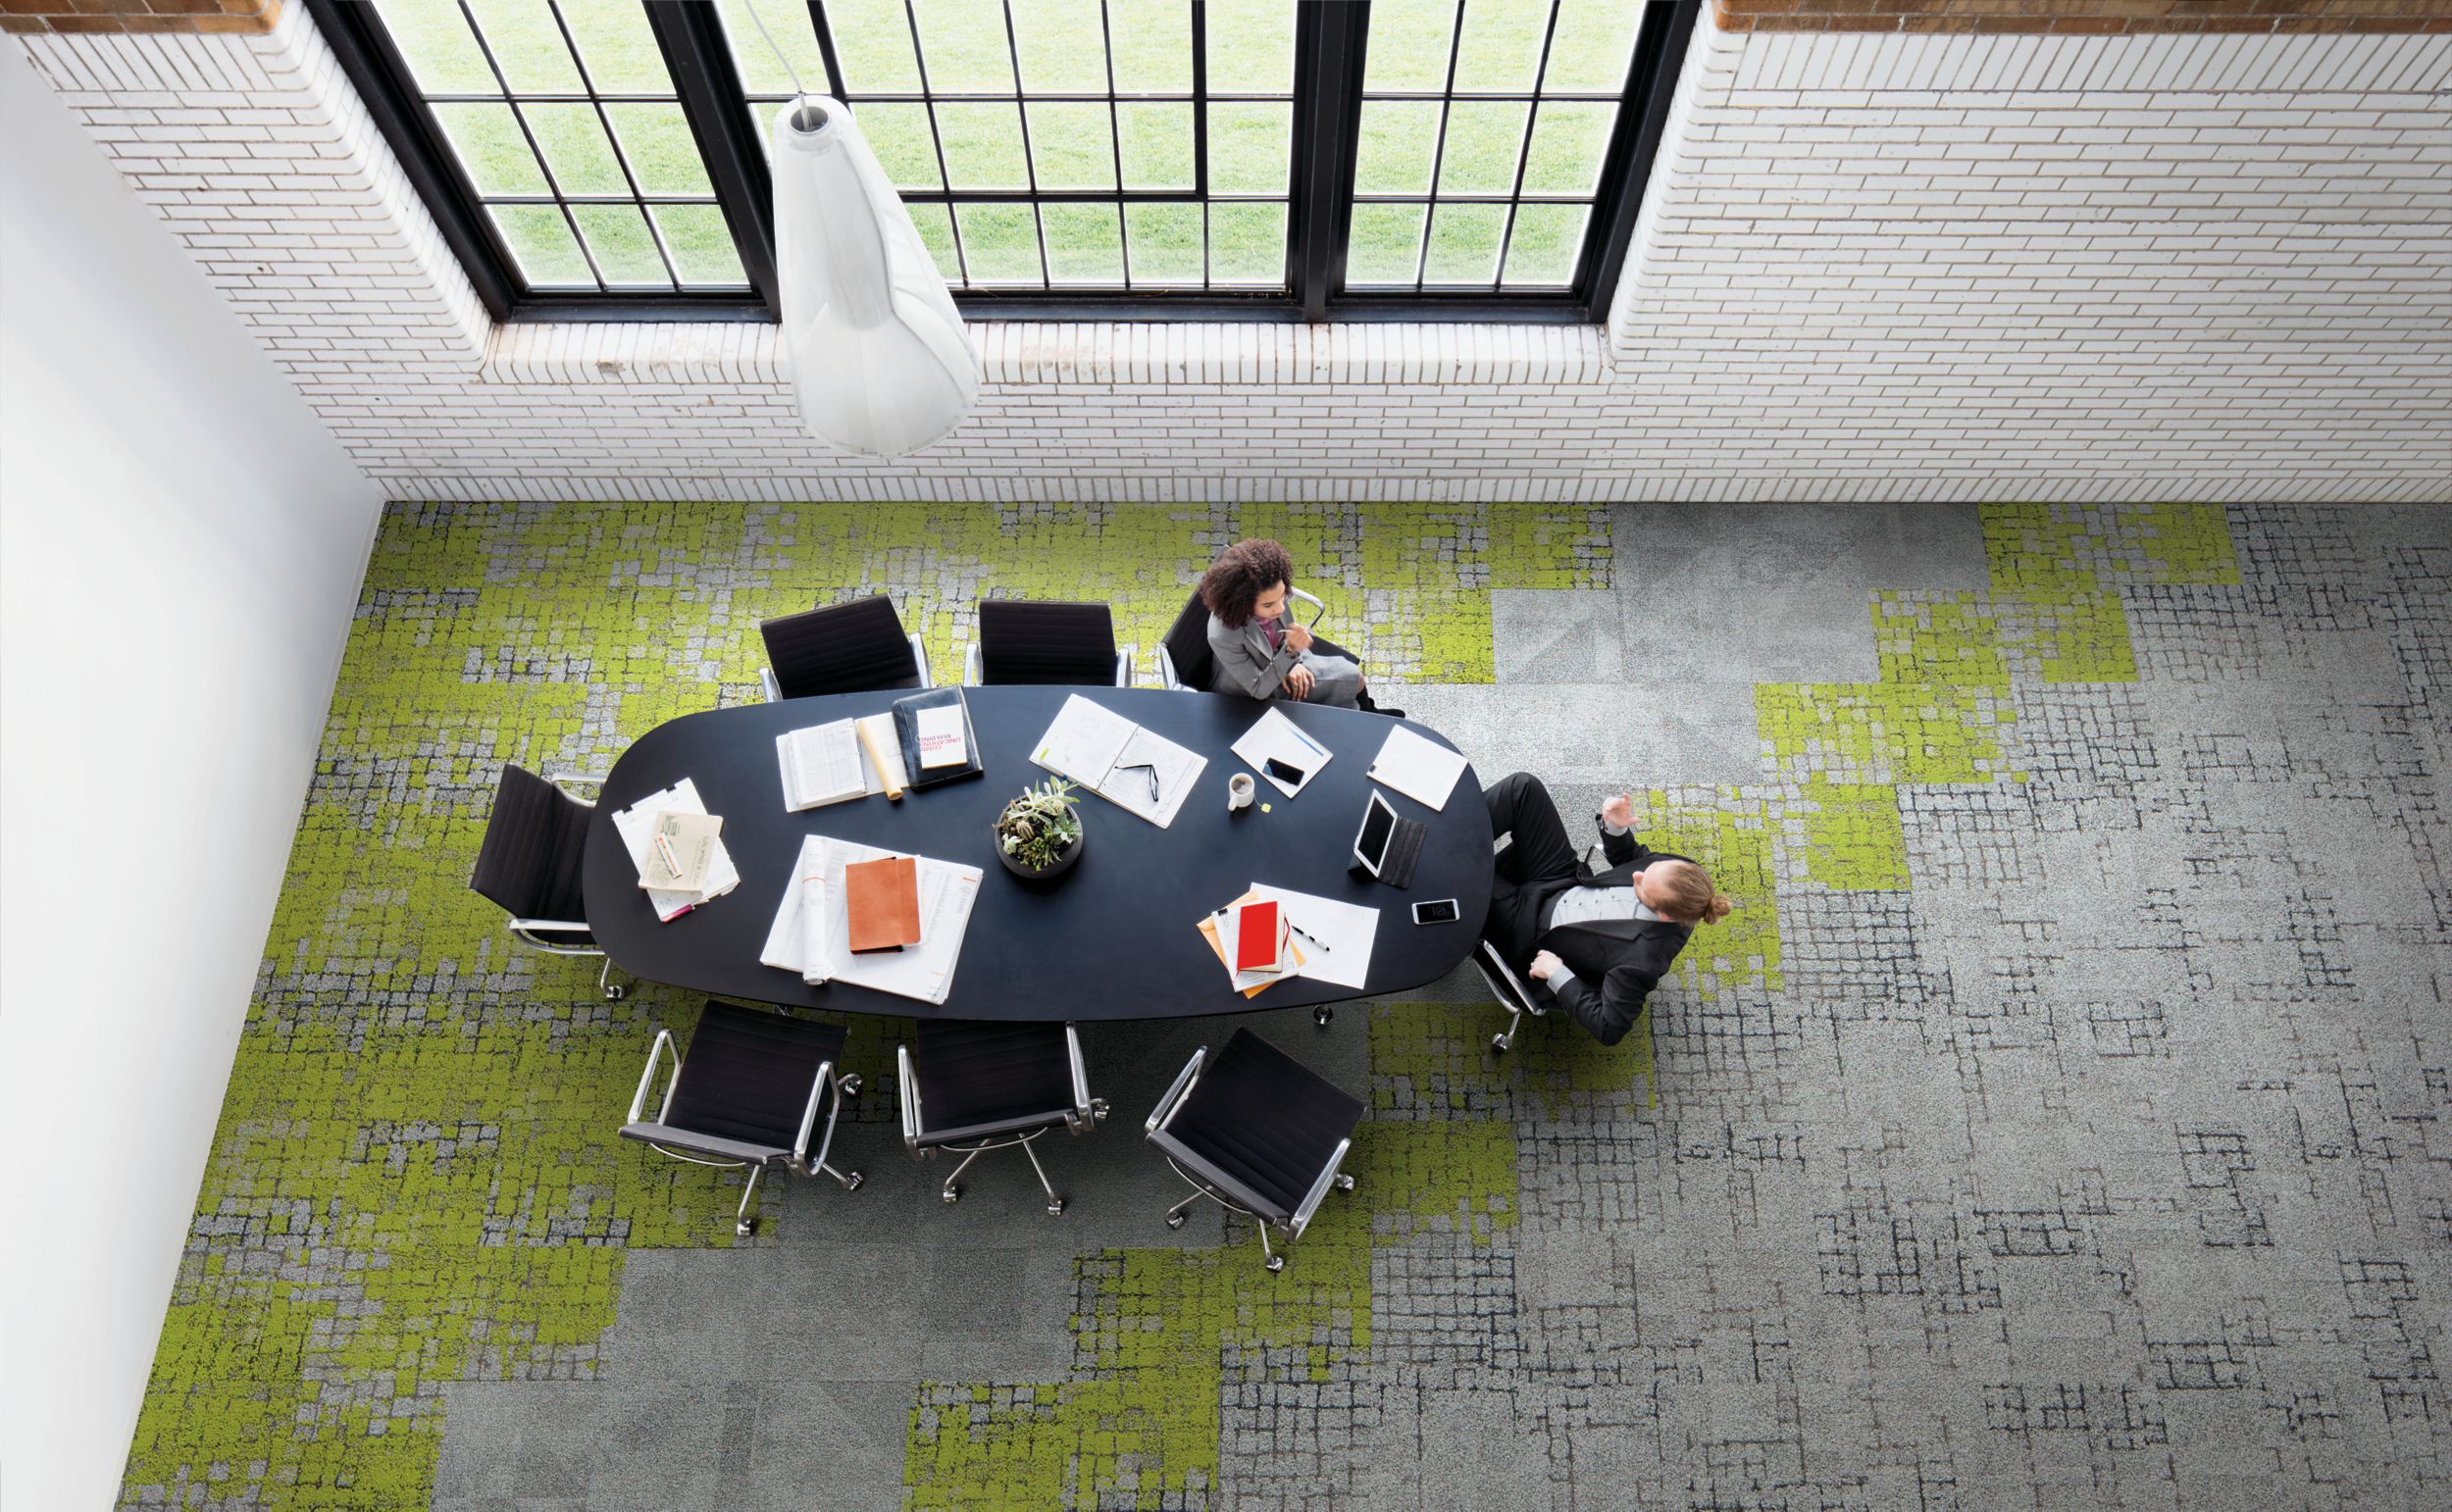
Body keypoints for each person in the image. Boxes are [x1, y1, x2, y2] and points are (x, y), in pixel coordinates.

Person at [1480, 771, 1732, 1047]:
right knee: (1524, 788)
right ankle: (1454, 833)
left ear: (1664, 915)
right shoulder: (1684, 872)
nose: (1637, 876)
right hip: (1563, 881)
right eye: (1648, 870)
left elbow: (1609, 1027)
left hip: (1532, 928)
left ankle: (1451, 855)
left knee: (1469, 873)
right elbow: (1632, 859)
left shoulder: (1642, 961)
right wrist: (1617, 829)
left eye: (1643, 888)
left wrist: (1557, 973)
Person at [1197, 537, 1375, 710]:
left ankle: (1369, 711)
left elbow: (1283, 635)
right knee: (1353, 678)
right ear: (1241, 602)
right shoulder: (1223, 634)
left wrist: (1294, 662)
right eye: (1268, 605)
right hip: (1251, 691)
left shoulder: (1269, 590)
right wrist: (1290, 653)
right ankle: (1369, 715)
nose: (1280, 609)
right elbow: (1258, 689)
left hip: (1283, 660)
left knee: (1352, 676)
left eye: (1283, 596)